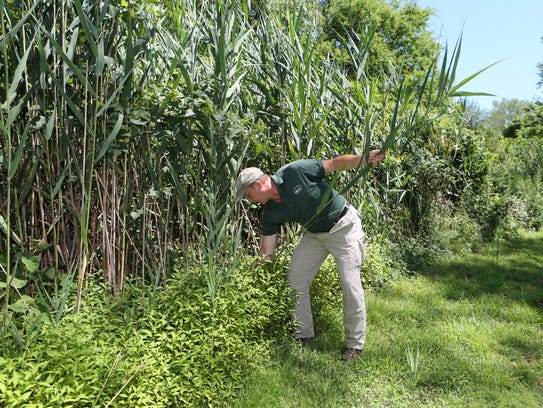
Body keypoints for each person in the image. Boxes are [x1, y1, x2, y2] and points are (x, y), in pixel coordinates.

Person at [234, 150, 386, 361]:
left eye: (248, 195)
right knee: (295, 278)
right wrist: (251, 280)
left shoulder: (295, 171)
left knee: (349, 283)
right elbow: (266, 253)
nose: (250, 201)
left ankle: (354, 344)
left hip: (344, 227)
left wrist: (363, 158)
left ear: (258, 186)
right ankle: (304, 335)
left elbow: (333, 164)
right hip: (315, 234)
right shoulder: (270, 212)